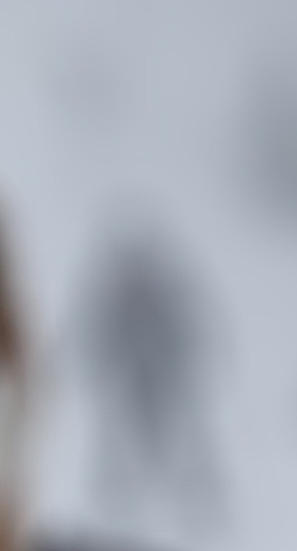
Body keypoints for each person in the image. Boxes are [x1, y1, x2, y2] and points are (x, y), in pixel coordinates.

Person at [70, 218, 225, 532]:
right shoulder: (121, 295)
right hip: (134, 376)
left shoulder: (157, 293)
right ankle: (118, 500)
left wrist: (189, 358)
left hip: (162, 375)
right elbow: (97, 333)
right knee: (122, 439)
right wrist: (100, 365)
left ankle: (200, 499)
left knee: (184, 437)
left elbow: (185, 329)